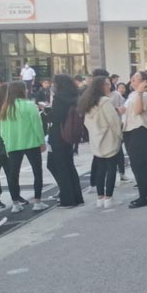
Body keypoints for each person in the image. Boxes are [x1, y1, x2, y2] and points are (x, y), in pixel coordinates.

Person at [0, 81, 48, 213]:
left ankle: (15, 203)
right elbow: (37, 126)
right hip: (31, 143)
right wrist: (41, 141)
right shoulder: (29, 106)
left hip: (13, 145)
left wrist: (7, 143)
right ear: (23, 91)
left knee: (13, 174)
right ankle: (37, 201)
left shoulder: (6, 107)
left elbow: (2, 131)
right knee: (37, 171)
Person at [79, 76, 123, 209]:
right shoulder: (105, 101)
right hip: (108, 137)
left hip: (96, 138)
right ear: (102, 86)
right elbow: (113, 121)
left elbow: (86, 122)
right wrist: (120, 135)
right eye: (107, 84)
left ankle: (100, 197)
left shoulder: (88, 102)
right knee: (111, 169)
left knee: (100, 169)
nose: (109, 86)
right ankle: (108, 197)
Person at [47, 75, 85, 209]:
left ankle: (68, 198)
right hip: (70, 135)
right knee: (68, 165)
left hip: (58, 134)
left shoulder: (59, 98)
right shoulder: (75, 97)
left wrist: (47, 112)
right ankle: (76, 196)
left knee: (57, 165)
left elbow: (56, 117)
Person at [120, 71, 147, 209]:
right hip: (128, 130)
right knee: (135, 164)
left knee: (140, 164)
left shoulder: (145, 95)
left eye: (135, 78)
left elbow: (138, 110)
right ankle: (143, 194)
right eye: (132, 78)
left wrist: (140, 93)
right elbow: (125, 110)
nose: (132, 80)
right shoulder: (131, 95)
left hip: (139, 130)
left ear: (144, 81)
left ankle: (145, 196)